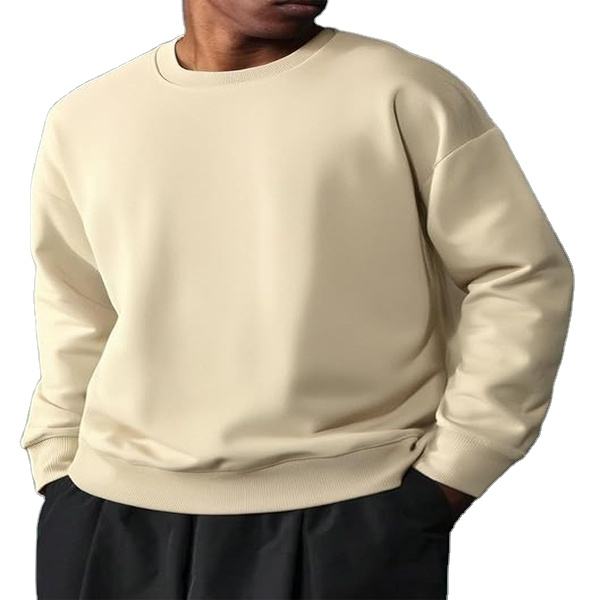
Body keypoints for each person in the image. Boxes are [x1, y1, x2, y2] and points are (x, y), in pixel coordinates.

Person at [21, 0, 574, 598]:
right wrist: (57, 461)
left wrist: (458, 467)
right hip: (110, 516)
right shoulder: (88, 118)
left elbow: (518, 275)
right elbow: (75, 303)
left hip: (351, 513)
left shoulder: (403, 92)